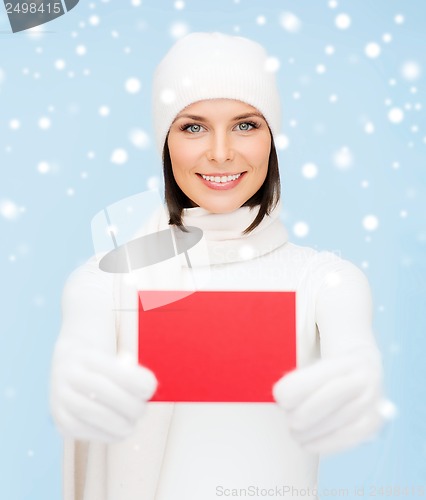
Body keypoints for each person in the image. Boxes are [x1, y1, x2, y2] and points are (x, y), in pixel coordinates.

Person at [50, 32, 387, 500]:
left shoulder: (326, 282)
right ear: (164, 142)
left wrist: (356, 381)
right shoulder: (108, 281)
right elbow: (81, 346)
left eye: (246, 125)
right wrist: (76, 379)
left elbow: (354, 355)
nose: (222, 152)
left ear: (273, 138)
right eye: (193, 127)